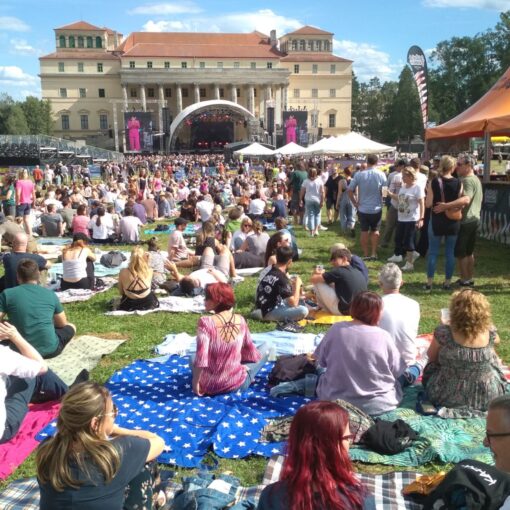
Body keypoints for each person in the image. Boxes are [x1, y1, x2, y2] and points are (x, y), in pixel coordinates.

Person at [36, 381, 165, 510]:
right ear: (95, 423)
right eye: (112, 411)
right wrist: (117, 430)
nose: (115, 415)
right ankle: (157, 498)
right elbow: (158, 442)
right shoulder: (118, 453)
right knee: (144, 462)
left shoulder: (47, 449)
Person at [257, 401, 373, 510]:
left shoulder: (270, 497)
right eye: (347, 438)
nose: (350, 443)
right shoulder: (360, 500)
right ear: (333, 447)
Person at [314, 292, 407, 415]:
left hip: (335, 402)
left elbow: (322, 361)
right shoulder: (384, 337)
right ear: (377, 313)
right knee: (412, 370)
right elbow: (397, 370)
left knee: (320, 369)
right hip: (377, 405)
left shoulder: (336, 329)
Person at [422, 289, 508, 415]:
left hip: (445, 394)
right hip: (487, 396)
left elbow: (431, 357)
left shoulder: (444, 333)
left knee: (432, 365)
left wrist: (446, 326)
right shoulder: (489, 332)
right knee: (493, 360)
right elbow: (497, 340)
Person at [192, 283, 268, 396]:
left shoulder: (205, 322)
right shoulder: (240, 320)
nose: (204, 300)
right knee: (267, 348)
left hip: (209, 386)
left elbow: (201, 358)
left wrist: (195, 382)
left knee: (192, 358)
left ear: (217, 301)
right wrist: (241, 366)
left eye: (207, 297)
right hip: (236, 384)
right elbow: (250, 351)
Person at [0, 321, 68, 445]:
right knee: (30, 376)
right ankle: (67, 393)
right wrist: (15, 336)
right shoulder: (3, 355)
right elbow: (41, 367)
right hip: (4, 429)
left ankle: (65, 392)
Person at [0, 259, 76, 358]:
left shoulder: (7, 294)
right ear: (38, 275)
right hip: (50, 351)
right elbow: (62, 323)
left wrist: (9, 322)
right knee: (71, 326)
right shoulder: (50, 294)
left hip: (19, 351)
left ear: (18, 276)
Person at [378, 263, 423, 383]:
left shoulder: (376, 305)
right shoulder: (414, 304)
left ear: (380, 284)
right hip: (408, 363)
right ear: (401, 283)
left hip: (380, 365)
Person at [425, 155, 463, 291]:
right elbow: (459, 202)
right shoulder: (459, 183)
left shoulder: (434, 182)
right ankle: (447, 282)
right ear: (453, 167)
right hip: (453, 221)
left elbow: (428, 204)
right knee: (450, 253)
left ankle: (429, 282)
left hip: (437, 220)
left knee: (433, 252)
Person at [450, 154, 483, 287]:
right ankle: (468, 277)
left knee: (461, 253)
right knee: (469, 252)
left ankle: (465, 280)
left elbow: (466, 199)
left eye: (460, 164)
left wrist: (448, 206)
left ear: (468, 165)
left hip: (466, 220)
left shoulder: (467, 180)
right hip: (474, 219)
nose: (457, 167)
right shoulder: (475, 178)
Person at [347, 155, 387, 260]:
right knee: (375, 231)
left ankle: (365, 253)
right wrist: (383, 200)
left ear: (367, 161)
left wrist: (355, 203)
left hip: (363, 208)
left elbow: (349, 190)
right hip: (376, 208)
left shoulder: (359, 175)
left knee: (364, 231)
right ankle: (373, 253)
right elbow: (385, 191)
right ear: (377, 162)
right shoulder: (381, 174)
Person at [255, 246, 308, 322]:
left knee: (301, 301)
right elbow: (294, 303)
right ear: (289, 262)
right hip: (268, 313)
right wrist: (297, 284)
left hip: (261, 307)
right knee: (303, 310)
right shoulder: (281, 278)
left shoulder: (270, 270)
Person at [387, 167, 424, 272]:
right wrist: (390, 194)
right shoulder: (404, 187)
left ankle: (409, 263)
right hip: (401, 217)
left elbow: (422, 203)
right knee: (399, 238)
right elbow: (400, 199)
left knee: (409, 242)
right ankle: (408, 255)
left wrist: (421, 218)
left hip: (412, 219)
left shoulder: (417, 188)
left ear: (410, 176)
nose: (402, 178)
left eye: (404, 176)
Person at [311, 248, 367, 316]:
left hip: (343, 311)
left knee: (318, 282)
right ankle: (323, 308)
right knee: (329, 283)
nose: (332, 263)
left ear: (344, 259)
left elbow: (313, 279)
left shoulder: (339, 271)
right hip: (358, 311)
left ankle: (324, 309)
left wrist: (317, 273)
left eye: (334, 260)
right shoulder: (357, 271)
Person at [117, 246, 159, 312]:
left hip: (129, 305)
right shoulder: (150, 271)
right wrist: (147, 261)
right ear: (144, 258)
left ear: (131, 257)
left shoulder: (123, 272)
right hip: (148, 303)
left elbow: (121, 292)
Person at [300, 167, 325, 237]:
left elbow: (302, 191)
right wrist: (322, 201)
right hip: (317, 199)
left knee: (311, 215)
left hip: (308, 200)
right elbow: (322, 192)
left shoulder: (305, 181)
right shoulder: (319, 181)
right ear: (316, 173)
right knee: (317, 215)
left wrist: (300, 199)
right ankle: (316, 230)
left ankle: (311, 232)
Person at [336, 166, 356, 237]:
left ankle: (344, 231)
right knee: (352, 215)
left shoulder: (341, 181)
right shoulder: (354, 181)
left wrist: (337, 203)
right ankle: (352, 227)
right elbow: (357, 192)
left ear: (344, 173)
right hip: (352, 199)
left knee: (343, 215)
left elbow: (339, 193)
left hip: (344, 199)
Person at [15, 168, 36, 235]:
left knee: (19, 222)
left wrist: (17, 202)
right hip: (28, 203)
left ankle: (19, 237)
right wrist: (34, 204)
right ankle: (30, 236)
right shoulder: (30, 182)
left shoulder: (19, 182)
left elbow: (18, 194)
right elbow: (33, 194)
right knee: (26, 220)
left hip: (21, 203)